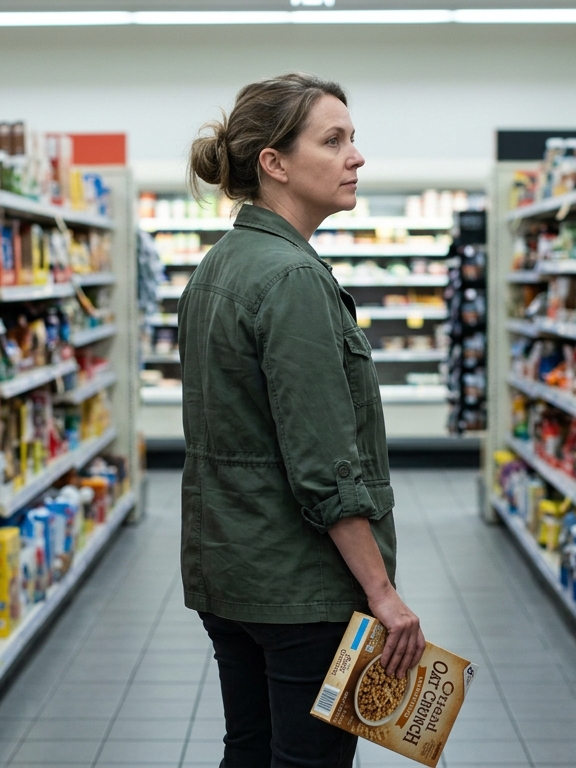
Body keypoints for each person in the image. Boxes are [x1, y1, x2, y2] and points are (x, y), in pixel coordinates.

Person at [176, 73, 425, 768]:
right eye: (334, 139)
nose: (356, 156)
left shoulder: (217, 268)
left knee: (251, 751)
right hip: (299, 588)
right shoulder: (292, 280)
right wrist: (383, 594)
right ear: (274, 163)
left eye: (354, 138)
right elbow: (323, 463)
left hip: (229, 573)